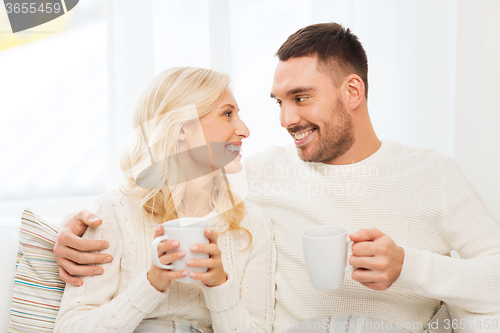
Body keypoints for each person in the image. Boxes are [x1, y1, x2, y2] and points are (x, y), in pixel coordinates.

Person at [54, 23, 500, 333]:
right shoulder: (257, 173)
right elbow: (155, 180)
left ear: (352, 92)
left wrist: (410, 267)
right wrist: (69, 230)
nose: (286, 119)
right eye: (278, 102)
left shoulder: (432, 174)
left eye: (301, 98)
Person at [53, 67, 275, 333]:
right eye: (227, 114)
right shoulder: (114, 212)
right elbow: (70, 328)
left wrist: (218, 285)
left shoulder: (252, 224)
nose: (244, 129)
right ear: (183, 129)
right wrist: (150, 284)